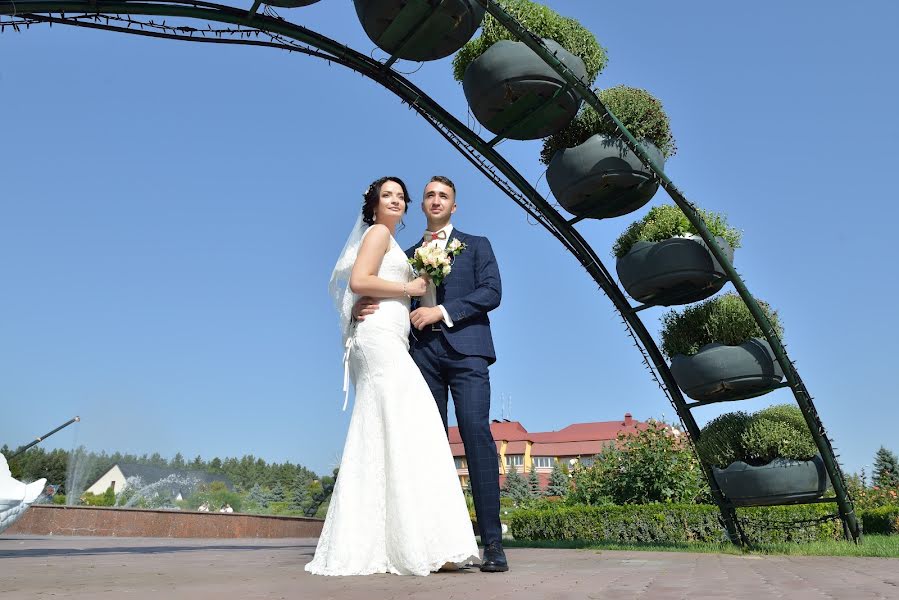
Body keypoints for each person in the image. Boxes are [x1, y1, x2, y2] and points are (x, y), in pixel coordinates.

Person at [305, 176, 480, 577]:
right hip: (381, 342)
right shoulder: (379, 232)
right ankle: (419, 542)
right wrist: (408, 287)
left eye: (401, 196)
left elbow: (365, 285)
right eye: (389, 195)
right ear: (374, 204)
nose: (397, 201)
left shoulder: (391, 241)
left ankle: (394, 538)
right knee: (415, 424)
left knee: (387, 431)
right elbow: (359, 281)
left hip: (389, 339)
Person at [355, 176, 507, 573]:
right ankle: (436, 544)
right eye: (429, 195)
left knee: (476, 436)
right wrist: (359, 308)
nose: (436, 200)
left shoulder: (477, 245)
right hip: (421, 356)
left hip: (467, 352)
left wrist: (442, 311)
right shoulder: (405, 255)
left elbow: (492, 292)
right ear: (421, 205)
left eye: (444, 196)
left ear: (453, 206)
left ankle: (493, 543)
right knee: (428, 447)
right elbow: (385, 290)